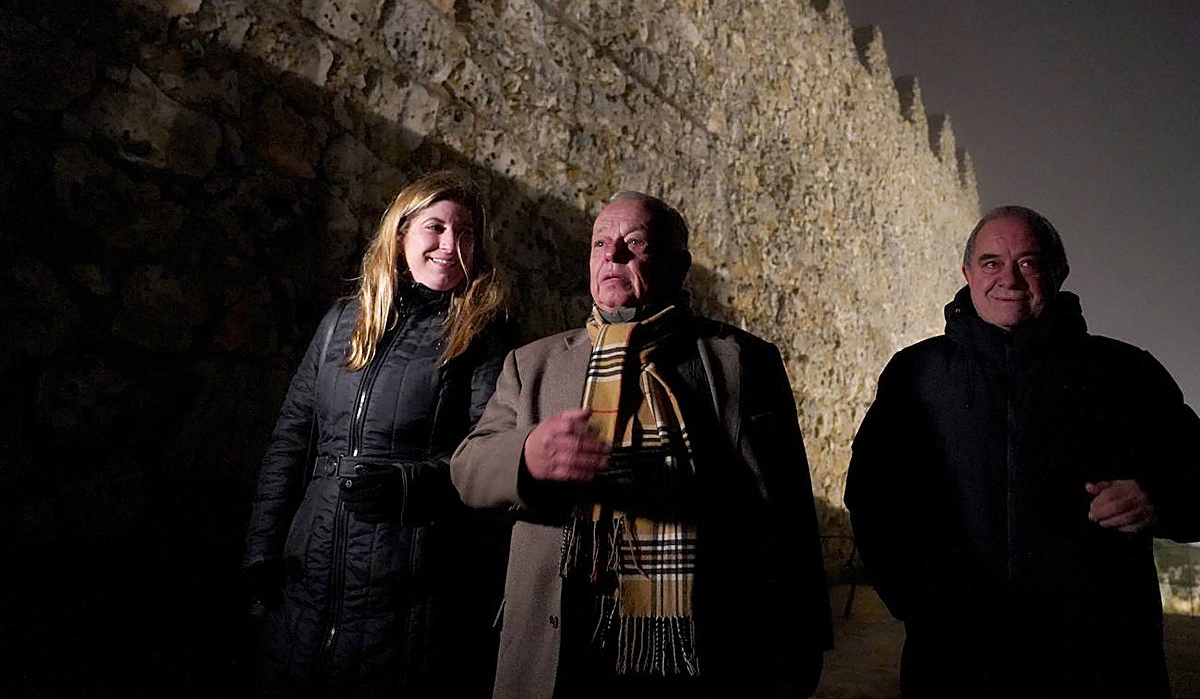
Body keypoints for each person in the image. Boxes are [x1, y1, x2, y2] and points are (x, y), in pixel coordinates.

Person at [450, 191, 833, 699]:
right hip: (558, 644)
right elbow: (466, 470)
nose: (613, 256)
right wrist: (526, 456)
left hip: (691, 647)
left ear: (678, 264)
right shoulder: (534, 364)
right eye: (601, 244)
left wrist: (804, 641)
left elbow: (786, 511)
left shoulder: (739, 363)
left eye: (635, 243)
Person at [845, 205, 1200, 698]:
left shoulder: (1127, 374)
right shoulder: (916, 375)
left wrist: (1156, 498)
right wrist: (917, 601)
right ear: (968, 273)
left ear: (1059, 273)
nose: (1009, 278)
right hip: (955, 661)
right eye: (991, 263)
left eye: (1029, 262)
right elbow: (872, 495)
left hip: (1102, 665)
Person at [242, 170, 514, 698]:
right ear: (401, 234)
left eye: (465, 234)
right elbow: (292, 441)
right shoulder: (343, 322)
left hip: (407, 585)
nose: (449, 245)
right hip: (308, 574)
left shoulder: (484, 336)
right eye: (434, 227)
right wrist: (261, 550)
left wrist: (412, 485)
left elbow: (486, 450)